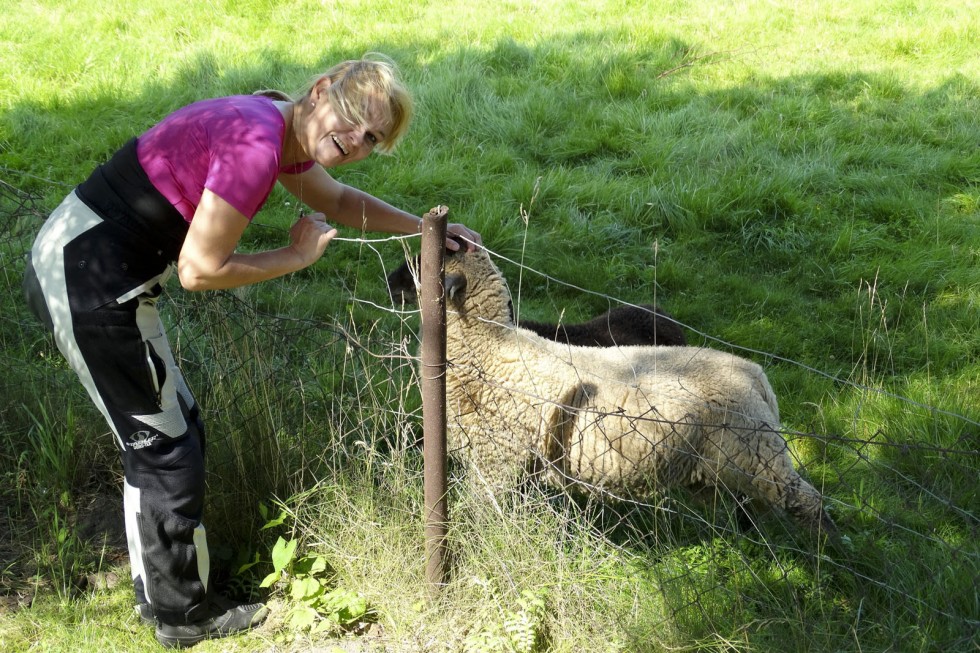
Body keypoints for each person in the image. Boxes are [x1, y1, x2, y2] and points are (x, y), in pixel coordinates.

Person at [22, 54, 481, 649]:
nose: (355, 142)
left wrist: (422, 229)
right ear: (321, 91)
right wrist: (294, 257)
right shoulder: (256, 148)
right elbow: (199, 270)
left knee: (169, 430)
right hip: (90, 286)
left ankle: (159, 592)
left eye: (371, 140)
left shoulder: (273, 121)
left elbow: (338, 201)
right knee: (165, 447)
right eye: (352, 120)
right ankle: (182, 616)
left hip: (83, 262)